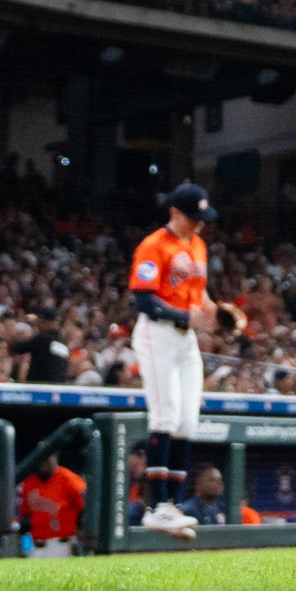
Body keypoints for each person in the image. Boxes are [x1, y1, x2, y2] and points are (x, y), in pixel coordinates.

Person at [128, 182, 218, 539]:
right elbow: (144, 301)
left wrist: (211, 308)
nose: (199, 224)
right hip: (157, 333)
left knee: (186, 423)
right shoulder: (153, 245)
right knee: (164, 417)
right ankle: (156, 507)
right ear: (175, 213)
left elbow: (198, 290)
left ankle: (173, 505)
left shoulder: (198, 244)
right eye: (193, 217)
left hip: (185, 340)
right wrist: (185, 317)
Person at [18, 450, 89, 557]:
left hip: (63, 546)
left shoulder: (69, 479)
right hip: (37, 547)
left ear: (55, 458)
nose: (41, 462)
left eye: (45, 458)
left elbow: (87, 506)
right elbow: (26, 516)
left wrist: (81, 530)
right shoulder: (29, 483)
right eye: (39, 458)